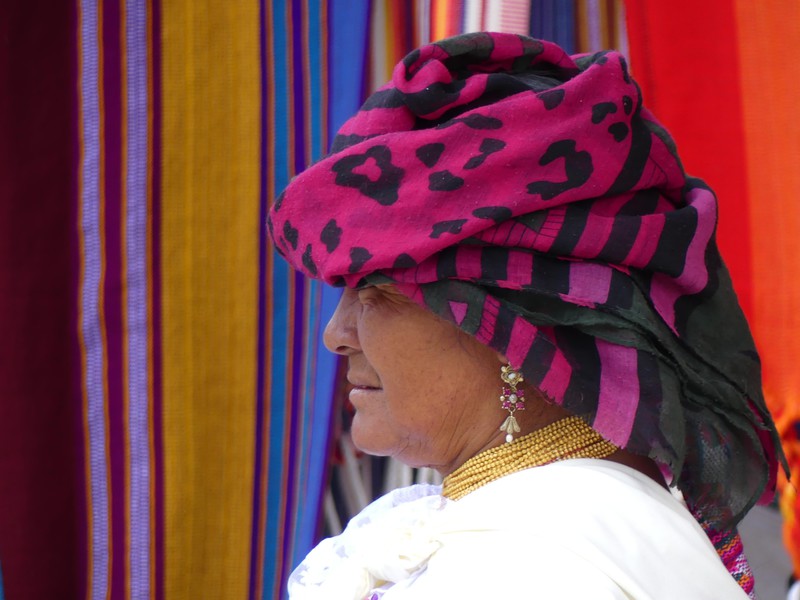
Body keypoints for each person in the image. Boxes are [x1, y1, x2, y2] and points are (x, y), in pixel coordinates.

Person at [267, 32, 784, 599]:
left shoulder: (523, 568)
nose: (335, 335)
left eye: (375, 293)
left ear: (506, 319)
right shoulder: (595, 522)